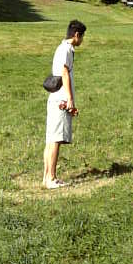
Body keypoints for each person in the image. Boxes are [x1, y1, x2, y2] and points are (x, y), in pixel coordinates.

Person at [44, 19, 86, 189]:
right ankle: (51, 179)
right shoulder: (66, 49)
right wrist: (70, 99)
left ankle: (46, 177)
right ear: (76, 35)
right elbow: (64, 73)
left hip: (55, 99)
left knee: (51, 140)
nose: (82, 40)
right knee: (56, 140)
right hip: (60, 100)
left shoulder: (62, 48)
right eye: (82, 37)